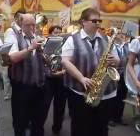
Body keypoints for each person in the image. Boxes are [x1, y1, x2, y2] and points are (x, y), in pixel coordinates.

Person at [61, 8, 119, 136]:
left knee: (101, 128)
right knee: (80, 127)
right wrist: (82, 78)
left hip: (105, 94)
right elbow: (65, 61)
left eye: (100, 21)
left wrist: (115, 61)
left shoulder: (107, 39)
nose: (98, 23)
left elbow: (118, 61)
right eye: (94, 21)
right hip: (81, 92)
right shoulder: (72, 39)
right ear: (83, 22)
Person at [6, 13, 46, 136]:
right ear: (20, 25)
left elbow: (46, 61)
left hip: (39, 86)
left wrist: (45, 53)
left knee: (38, 123)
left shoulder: (37, 36)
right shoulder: (13, 35)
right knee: (20, 123)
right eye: (28, 25)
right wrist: (30, 48)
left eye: (34, 25)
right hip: (21, 87)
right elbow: (12, 58)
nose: (32, 28)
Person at [43, 25, 67, 136]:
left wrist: (62, 72)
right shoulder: (45, 45)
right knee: (45, 104)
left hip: (61, 79)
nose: (57, 35)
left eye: (59, 33)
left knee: (60, 105)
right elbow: (43, 64)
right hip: (49, 79)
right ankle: (39, 126)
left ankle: (57, 128)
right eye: (55, 33)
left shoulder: (65, 45)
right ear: (50, 34)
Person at [3, 9, 25, 100]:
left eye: (25, 18)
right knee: (18, 99)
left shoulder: (26, 31)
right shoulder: (11, 31)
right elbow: (13, 54)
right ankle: (7, 94)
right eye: (21, 18)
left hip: (25, 70)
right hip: (15, 68)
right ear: (15, 18)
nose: (23, 20)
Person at [109, 31, 129, 126]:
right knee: (113, 96)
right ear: (114, 35)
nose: (121, 36)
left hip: (124, 74)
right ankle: (110, 118)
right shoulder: (111, 45)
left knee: (122, 96)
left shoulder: (126, 46)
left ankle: (118, 117)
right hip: (113, 73)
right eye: (118, 34)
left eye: (122, 34)